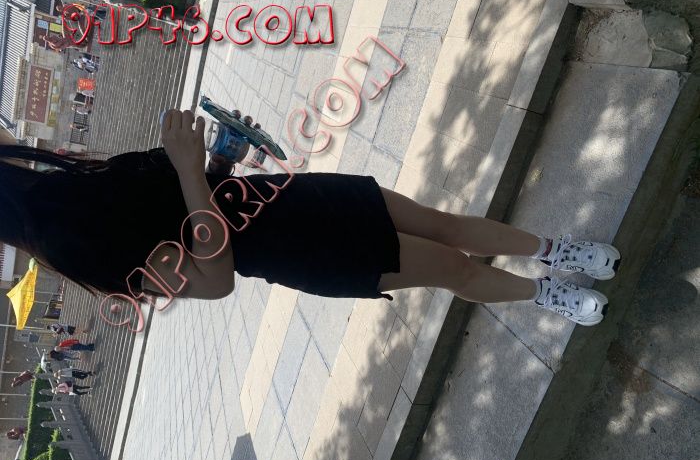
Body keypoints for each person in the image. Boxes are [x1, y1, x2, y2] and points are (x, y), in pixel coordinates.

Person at [0, 110, 620, 328]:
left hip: (293, 198)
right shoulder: (68, 240)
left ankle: (554, 249)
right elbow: (214, 280)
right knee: (451, 268)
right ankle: (546, 294)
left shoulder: (69, 186)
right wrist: (188, 170)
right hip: (299, 250)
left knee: (445, 225)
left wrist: (216, 158)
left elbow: (188, 200)